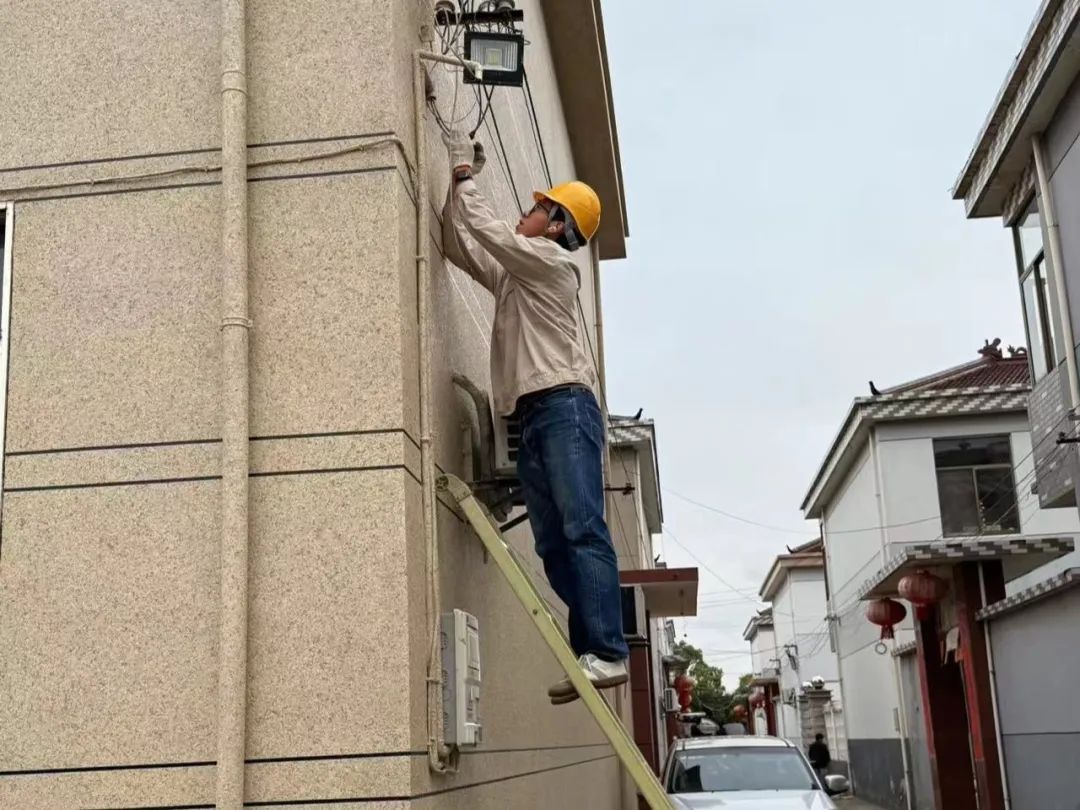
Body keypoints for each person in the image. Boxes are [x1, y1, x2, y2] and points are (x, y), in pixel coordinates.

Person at [440, 128, 628, 705]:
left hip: (566, 406)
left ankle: (608, 650)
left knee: (581, 526)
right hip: (535, 414)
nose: (524, 213)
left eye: (536, 208)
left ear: (554, 226)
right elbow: (457, 240)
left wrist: (465, 171)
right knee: (551, 542)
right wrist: (455, 184)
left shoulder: (551, 264)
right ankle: (590, 654)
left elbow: (490, 231)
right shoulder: (516, 275)